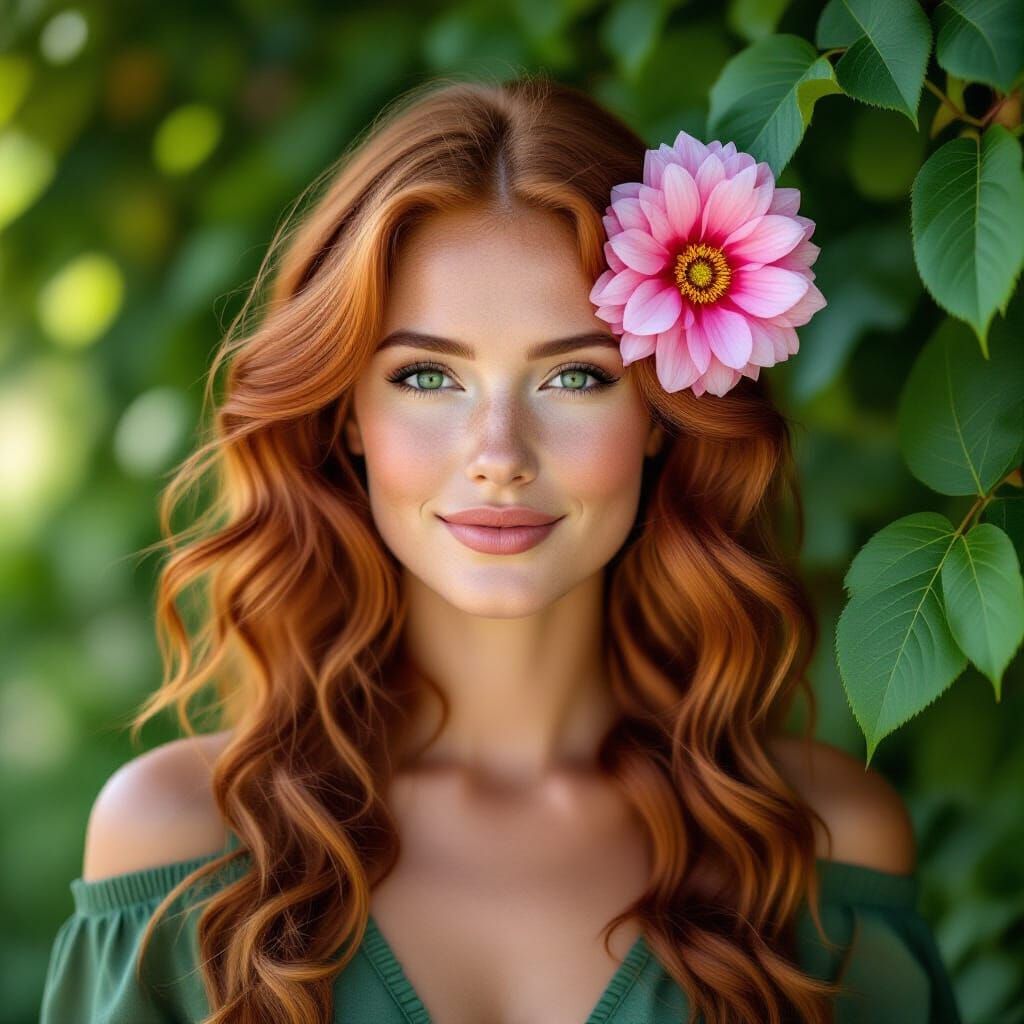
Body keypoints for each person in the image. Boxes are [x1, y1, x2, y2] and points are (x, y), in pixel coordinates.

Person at [39, 72, 962, 1024]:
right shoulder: (177, 844)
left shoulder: (820, 850)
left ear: (662, 413)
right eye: (428, 375)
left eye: (574, 377)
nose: (498, 458)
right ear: (346, 412)